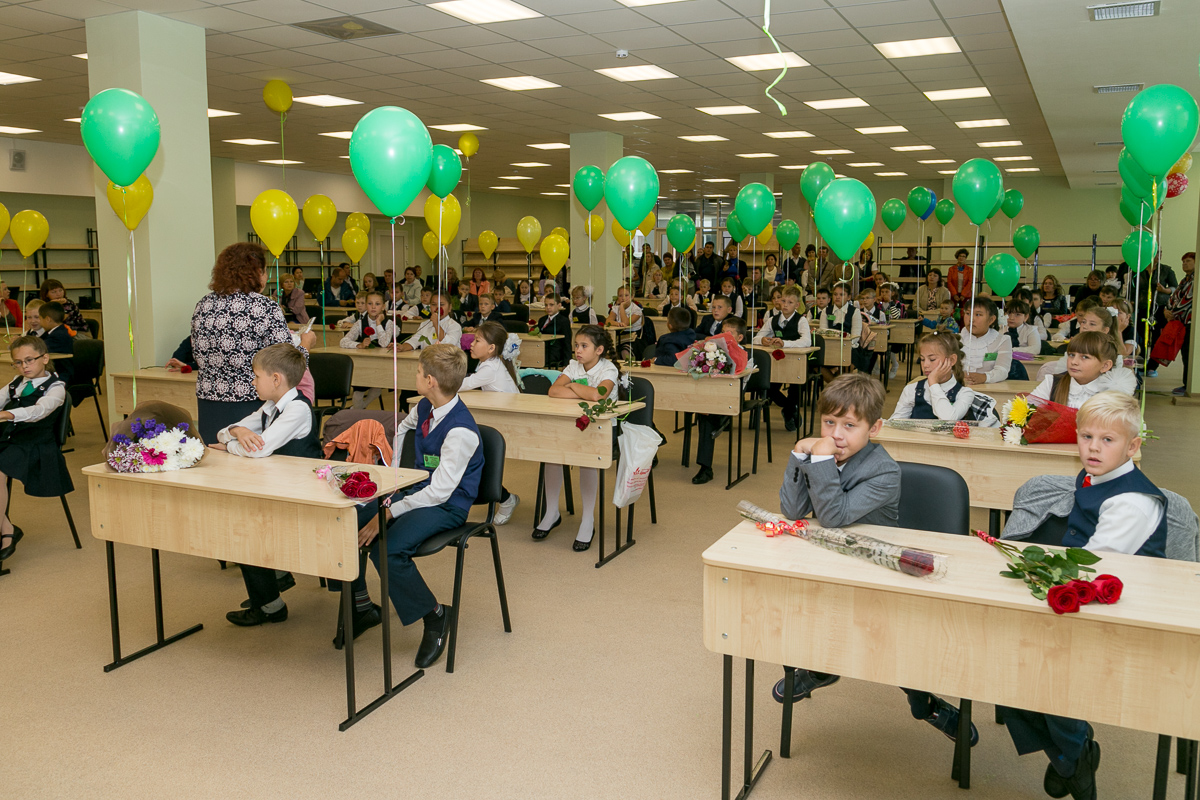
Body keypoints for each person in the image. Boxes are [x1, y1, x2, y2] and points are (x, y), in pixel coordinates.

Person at [770, 373, 976, 742]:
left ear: (874, 428)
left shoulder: (884, 470)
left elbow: (832, 516)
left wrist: (818, 459)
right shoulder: (820, 452)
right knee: (807, 615)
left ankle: (923, 702)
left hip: (877, 570)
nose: (836, 435)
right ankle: (821, 668)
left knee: (887, 644)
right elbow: (793, 509)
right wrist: (799, 454)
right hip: (830, 561)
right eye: (829, 422)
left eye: (850, 425)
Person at [999, 391, 1166, 800]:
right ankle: (1073, 755)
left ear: (1133, 446)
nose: (1093, 448)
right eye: (1086, 436)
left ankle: (1070, 756)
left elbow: (1091, 565)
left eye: (1107, 440)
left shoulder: (1131, 502)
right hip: (1085, 596)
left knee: (1037, 661)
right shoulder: (1095, 475)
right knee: (1001, 653)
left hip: (1125, 613)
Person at [346, 344, 485, 668]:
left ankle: (435, 615)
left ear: (431, 381)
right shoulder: (425, 405)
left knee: (388, 550)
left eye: (419, 372)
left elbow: (439, 493)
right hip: (416, 489)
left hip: (447, 504)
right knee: (348, 519)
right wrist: (395, 471)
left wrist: (389, 511)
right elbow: (404, 428)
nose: (416, 376)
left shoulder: (460, 431)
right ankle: (362, 605)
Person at [210, 345, 320, 626]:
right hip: (279, 485)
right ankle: (275, 582)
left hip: (304, 493)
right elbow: (224, 431)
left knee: (245, 529)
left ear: (276, 379)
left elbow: (258, 450)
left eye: (256, 376)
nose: (253, 381)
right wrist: (237, 431)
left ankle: (270, 603)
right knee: (241, 519)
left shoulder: (297, 409)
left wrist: (231, 444)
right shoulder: (271, 406)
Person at [191, 244, 320, 443]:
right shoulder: (264, 307)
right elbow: (286, 363)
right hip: (252, 402)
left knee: (214, 456)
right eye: (264, 270)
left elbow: (197, 353)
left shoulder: (203, 305)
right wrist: (306, 344)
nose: (266, 276)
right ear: (256, 272)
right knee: (249, 457)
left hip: (209, 402)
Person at [535, 326, 618, 551]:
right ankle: (552, 511)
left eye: (584, 346)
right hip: (573, 424)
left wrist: (571, 385)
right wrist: (581, 390)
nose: (578, 350)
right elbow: (553, 391)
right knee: (552, 454)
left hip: (602, 430)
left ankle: (588, 519)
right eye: (576, 345)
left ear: (599, 350)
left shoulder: (608, 369)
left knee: (586, 460)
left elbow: (599, 395)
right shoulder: (574, 366)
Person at [0, 335, 73, 562]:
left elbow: (38, 412)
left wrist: (8, 414)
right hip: (11, 439)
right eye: (18, 362)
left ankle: (6, 532)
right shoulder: (16, 383)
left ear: (45, 358)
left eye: (29, 360)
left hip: (36, 445)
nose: (24, 366)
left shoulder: (56, 388)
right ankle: (7, 527)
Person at [461, 322, 522, 525]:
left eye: (477, 340)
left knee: (476, 459)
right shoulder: (490, 363)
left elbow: (463, 384)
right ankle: (504, 498)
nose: (471, 344)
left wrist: (440, 380)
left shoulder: (490, 367)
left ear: (491, 348)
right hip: (500, 420)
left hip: (510, 426)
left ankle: (506, 499)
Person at [692, 316, 751, 485]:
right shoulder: (713, 351)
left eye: (729, 334)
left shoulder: (746, 355)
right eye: (722, 332)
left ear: (740, 337)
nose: (724, 337)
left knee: (706, 415)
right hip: (710, 395)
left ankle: (705, 468)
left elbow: (741, 383)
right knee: (703, 408)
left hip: (732, 396)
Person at [755, 285, 812, 432]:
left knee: (796, 386)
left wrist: (785, 343)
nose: (785, 305)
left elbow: (807, 341)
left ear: (797, 305)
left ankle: (789, 411)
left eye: (790, 302)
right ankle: (790, 409)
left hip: (796, 362)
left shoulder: (801, 320)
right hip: (777, 362)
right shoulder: (772, 320)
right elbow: (756, 337)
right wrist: (762, 340)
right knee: (770, 388)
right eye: (783, 301)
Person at [892, 332, 985, 422]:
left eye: (932, 359)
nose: (925, 365)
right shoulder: (911, 389)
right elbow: (894, 422)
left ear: (952, 360)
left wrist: (933, 383)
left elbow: (948, 418)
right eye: (922, 359)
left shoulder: (965, 393)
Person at [1027, 332, 1120, 410]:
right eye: (1071, 355)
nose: (1074, 362)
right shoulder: (1052, 382)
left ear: (1105, 366)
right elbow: (1026, 411)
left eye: (1085, 357)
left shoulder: (1114, 393)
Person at [340, 290, 395, 409]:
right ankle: (358, 411)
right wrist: (358, 345)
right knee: (357, 395)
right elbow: (343, 341)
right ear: (366, 305)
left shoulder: (389, 323)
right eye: (370, 304)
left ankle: (356, 411)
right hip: (364, 365)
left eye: (377, 304)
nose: (373, 307)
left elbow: (384, 343)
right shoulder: (360, 323)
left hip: (382, 365)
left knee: (376, 389)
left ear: (383, 306)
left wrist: (378, 323)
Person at [1150, 251, 1194, 395]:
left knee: (1188, 354)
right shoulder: (1184, 280)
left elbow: (1187, 301)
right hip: (1179, 321)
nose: (1184, 264)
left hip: (1190, 322)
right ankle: (1186, 384)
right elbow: (1172, 297)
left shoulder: (1196, 280)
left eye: (1188, 261)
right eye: (1183, 261)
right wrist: (1166, 310)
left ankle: (1188, 385)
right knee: (1184, 354)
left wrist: (1172, 313)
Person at [961, 297, 1011, 385]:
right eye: (968, 313)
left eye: (978, 315)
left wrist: (985, 377)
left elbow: (1002, 371)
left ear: (991, 320)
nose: (971, 319)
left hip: (988, 388)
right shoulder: (954, 339)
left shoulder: (1002, 340)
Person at [396, 295, 462, 352]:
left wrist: (436, 324)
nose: (437, 308)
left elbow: (448, 345)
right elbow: (415, 340)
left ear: (449, 307)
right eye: (433, 304)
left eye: (441, 304)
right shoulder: (424, 324)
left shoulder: (454, 326)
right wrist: (402, 347)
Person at [36, 302, 73, 385]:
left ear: (48, 319)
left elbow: (39, 348)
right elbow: (38, 341)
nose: (39, 322)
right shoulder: (53, 332)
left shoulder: (59, 335)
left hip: (61, 374)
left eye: (40, 319)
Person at [606, 286, 643, 359]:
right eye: (620, 296)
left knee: (625, 350)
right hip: (619, 335)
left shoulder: (637, 310)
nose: (623, 298)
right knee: (607, 349)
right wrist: (617, 324)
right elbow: (608, 321)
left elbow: (625, 323)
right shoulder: (615, 308)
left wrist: (622, 307)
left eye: (626, 295)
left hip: (634, 337)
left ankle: (628, 366)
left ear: (632, 297)